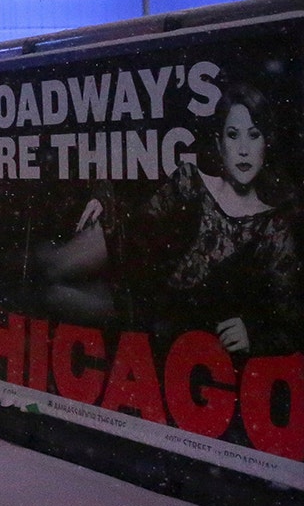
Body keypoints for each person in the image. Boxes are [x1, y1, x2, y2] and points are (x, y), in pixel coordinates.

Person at [45, 83, 300, 357]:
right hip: (131, 281)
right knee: (47, 271)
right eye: (233, 135)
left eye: (254, 135)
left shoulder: (272, 229)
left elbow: (292, 320)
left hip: (150, 323)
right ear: (218, 141)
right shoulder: (190, 180)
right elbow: (136, 225)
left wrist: (253, 332)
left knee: (49, 294)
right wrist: (105, 200)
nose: (243, 149)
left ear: (266, 142)